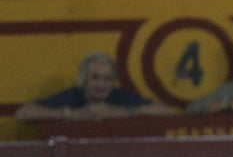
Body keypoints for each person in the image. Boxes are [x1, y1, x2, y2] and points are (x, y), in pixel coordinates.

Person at [15, 52, 170, 121]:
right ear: (84, 80)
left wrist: (121, 112)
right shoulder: (73, 96)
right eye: (95, 78)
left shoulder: (119, 96)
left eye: (107, 79)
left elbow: (165, 111)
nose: (102, 84)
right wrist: (71, 114)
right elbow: (24, 112)